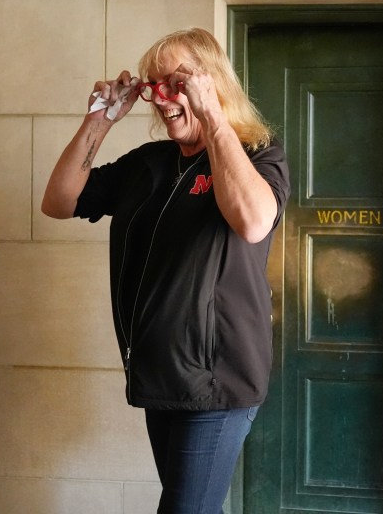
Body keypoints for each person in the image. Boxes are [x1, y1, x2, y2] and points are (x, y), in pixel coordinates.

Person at [42, 28, 290, 513]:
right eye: (155, 84)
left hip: (219, 378)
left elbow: (254, 221)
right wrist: (98, 121)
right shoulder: (151, 164)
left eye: (177, 82)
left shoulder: (258, 153)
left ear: (211, 82)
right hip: (160, 373)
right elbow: (59, 201)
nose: (162, 97)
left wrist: (214, 115)